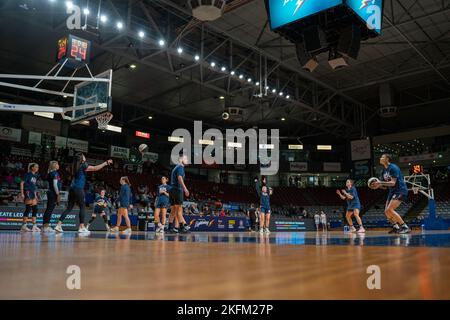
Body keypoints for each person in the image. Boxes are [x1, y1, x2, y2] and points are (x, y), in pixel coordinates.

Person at [55, 153, 112, 234]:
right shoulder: (83, 165)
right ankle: (81, 227)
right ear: (82, 158)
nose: (85, 156)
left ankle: (58, 225)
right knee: (82, 207)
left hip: (72, 188)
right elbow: (95, 168)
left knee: (69, 208)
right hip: (78, 188)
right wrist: (105, 163)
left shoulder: (74, 166)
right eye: (84, 156)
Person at [371, 154, 410, 234]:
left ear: (387, 159)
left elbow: (392, 183)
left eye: (382, 157)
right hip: (392, 192)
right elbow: (385, 185)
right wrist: (377, 186)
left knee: (390, 209)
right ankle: (395, 227)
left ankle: (405, 226)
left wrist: (380, 182)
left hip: (400, 190)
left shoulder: (393, 168)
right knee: (386, 211)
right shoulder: (383, 171)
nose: (380, 158)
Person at [168, 154, 190, 233]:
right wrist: (185, 188)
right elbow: (180, 178)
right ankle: (181, 227)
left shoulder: (175, 167)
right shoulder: (180, 167)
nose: (188, 160)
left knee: (173, 210)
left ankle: (170, 227)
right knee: (179, 210)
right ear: (181, 160)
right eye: (186, 159)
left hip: (172, 190)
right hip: (177, 190)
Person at [42, 161, 61, 233]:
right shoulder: (55, 173)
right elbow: (55, 184)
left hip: (50, 192)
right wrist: (58, 194)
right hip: (53, 193)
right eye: (57, 164)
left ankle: (45, 226)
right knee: (49, 210)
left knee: (48, 209)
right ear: (54, 166)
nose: (59, 165)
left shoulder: (50, 173)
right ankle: (46, 226)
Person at [20, 163, 40, 232]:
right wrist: (22, 193)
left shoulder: (35, 176)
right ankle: (24, 226)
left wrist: (35, 195)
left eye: (38, 167)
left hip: (32, 192)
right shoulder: (28, 174)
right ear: (32, 168)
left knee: (35, 209)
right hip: (27, 191)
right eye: (36, 167)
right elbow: (22, 183)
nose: (37, 168)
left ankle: (34, 226)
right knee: (28, 209)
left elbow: (34, 186)